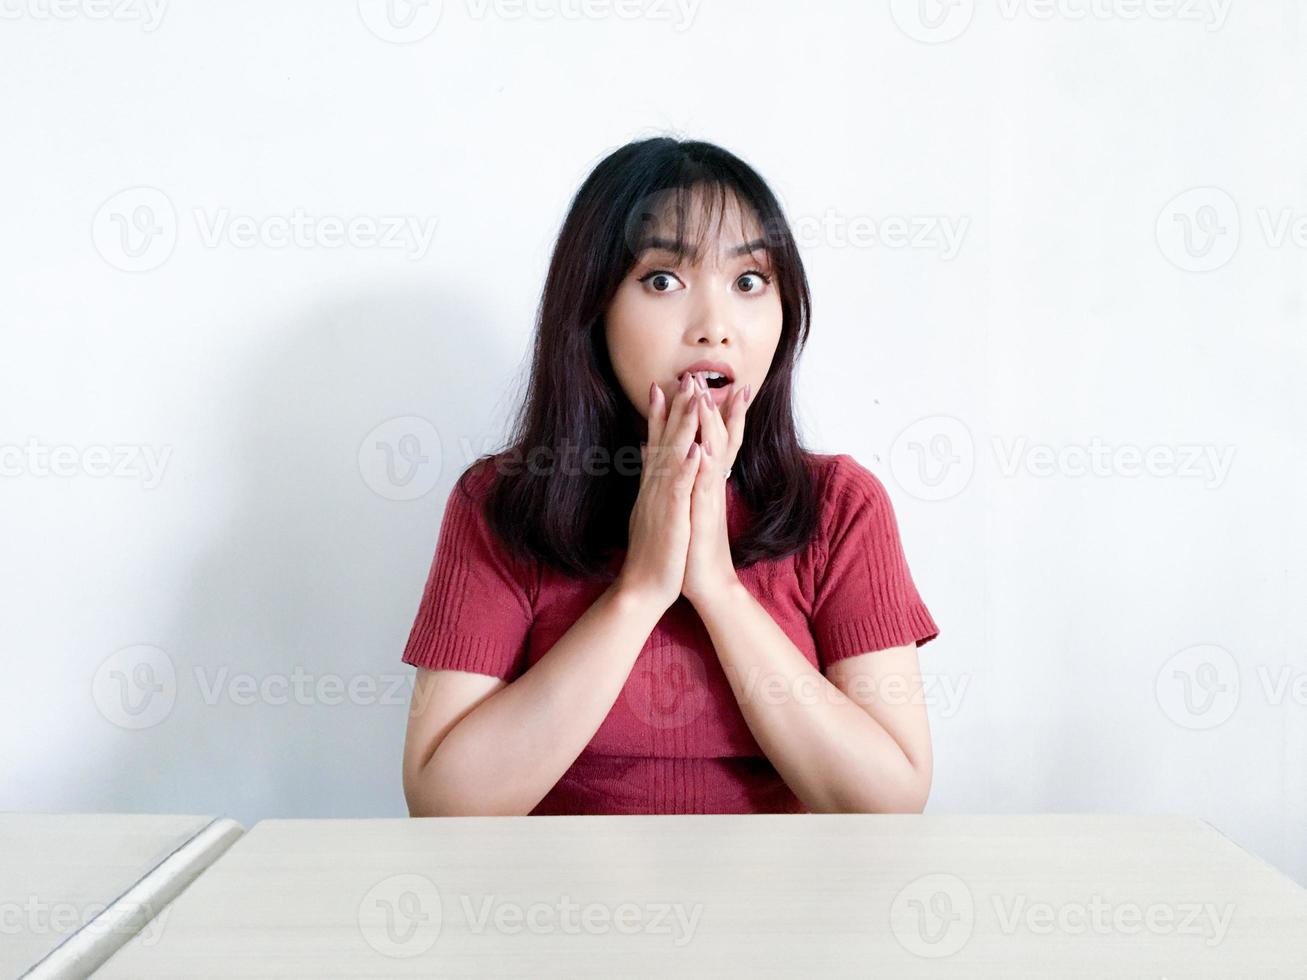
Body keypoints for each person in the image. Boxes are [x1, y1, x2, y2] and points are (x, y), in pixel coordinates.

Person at [400, 136, 940, 816]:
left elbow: (888, 802)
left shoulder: (838, 506)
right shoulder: (502, 503)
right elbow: (445, 804)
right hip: (549, 909)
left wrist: (716, 589)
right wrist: (640, 589)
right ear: (590, 309)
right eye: (663, 280)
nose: (714, 327)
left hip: (784, 913)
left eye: (749, 282)